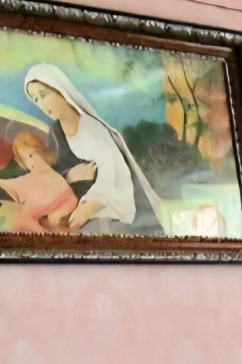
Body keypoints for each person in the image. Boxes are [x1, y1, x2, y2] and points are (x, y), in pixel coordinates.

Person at [21, 62, 160, 235]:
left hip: (104, 209)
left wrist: (90, 205)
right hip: (72, 204)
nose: (41, 104)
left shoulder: (90, 128)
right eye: (36, 99)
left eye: (44, 95)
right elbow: (56, 170)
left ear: (60, 89)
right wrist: (71, 176)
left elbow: (113, 169)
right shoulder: (57, 133)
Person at [0, 131, 80, 233]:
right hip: (34, 224)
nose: (30, 162)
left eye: (31, 155)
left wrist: (58, 214)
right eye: (25, 159)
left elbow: (71, 199)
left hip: (56, 222)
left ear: (41, 151)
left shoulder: (54, 173)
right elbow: (12, 184)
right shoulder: (30, 179)